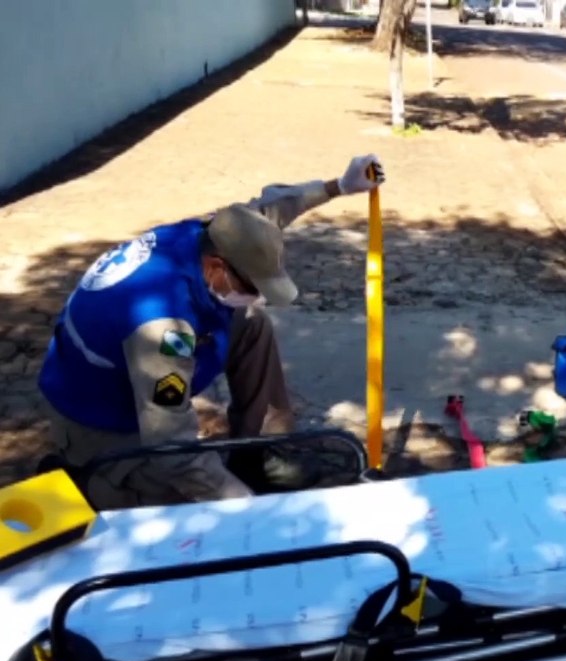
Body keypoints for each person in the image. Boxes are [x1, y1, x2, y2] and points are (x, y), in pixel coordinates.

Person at [36, 155, 386, 510]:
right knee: (183, 507)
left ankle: (258, 451)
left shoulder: (213, 235)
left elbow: (270, 209)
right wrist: (243, 508)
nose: (259, 295)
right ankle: (87, 479)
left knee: (252, 322)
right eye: (252, 285)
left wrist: (339, 186)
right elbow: (172, 447)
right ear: (217, 267)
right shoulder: (162, 333)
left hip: (134, 365)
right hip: (103, 417)